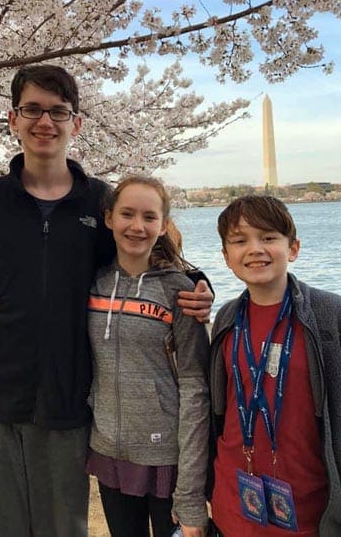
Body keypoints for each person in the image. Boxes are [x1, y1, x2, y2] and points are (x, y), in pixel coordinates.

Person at [0, 64, 213, 537]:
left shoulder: (97, 201)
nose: (45, 122)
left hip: (70, 394)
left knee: (65, 525)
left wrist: (198, 282)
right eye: (33, 110)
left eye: (58, 111)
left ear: (76, 123)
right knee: (2, 525)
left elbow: (139, 257)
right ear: (13, 119)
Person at [208, 195, 341, 536]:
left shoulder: (333, 317)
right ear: (226, 257)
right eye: (239, 241)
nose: (254, 249)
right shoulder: (227, 319)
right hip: (232, 507)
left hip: (312, 515)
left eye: (268, 237)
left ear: (293, 248)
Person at [86, 176, 210, 537]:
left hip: (166, 456)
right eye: (127, 214)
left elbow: (194, 386)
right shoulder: (92, 282)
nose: (137, 226)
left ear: (163, 224)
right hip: (108, 449)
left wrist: (189, 490)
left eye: (149, 217)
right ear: (109, 218)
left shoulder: (181, 292)